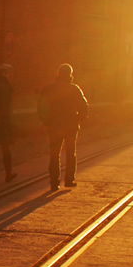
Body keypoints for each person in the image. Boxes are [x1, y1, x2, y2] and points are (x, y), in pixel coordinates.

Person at [37, 62, 88, 191]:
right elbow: (84, 107)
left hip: (54, 126)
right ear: (70, 75)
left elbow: (41, 107)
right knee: (71, 153)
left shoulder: (49, 88)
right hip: (71, 126)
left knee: (54, 154)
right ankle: (69, 179)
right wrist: (78, 119)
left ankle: (54, 182)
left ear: (58, 74)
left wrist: (45, 121)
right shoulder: (74, 89)